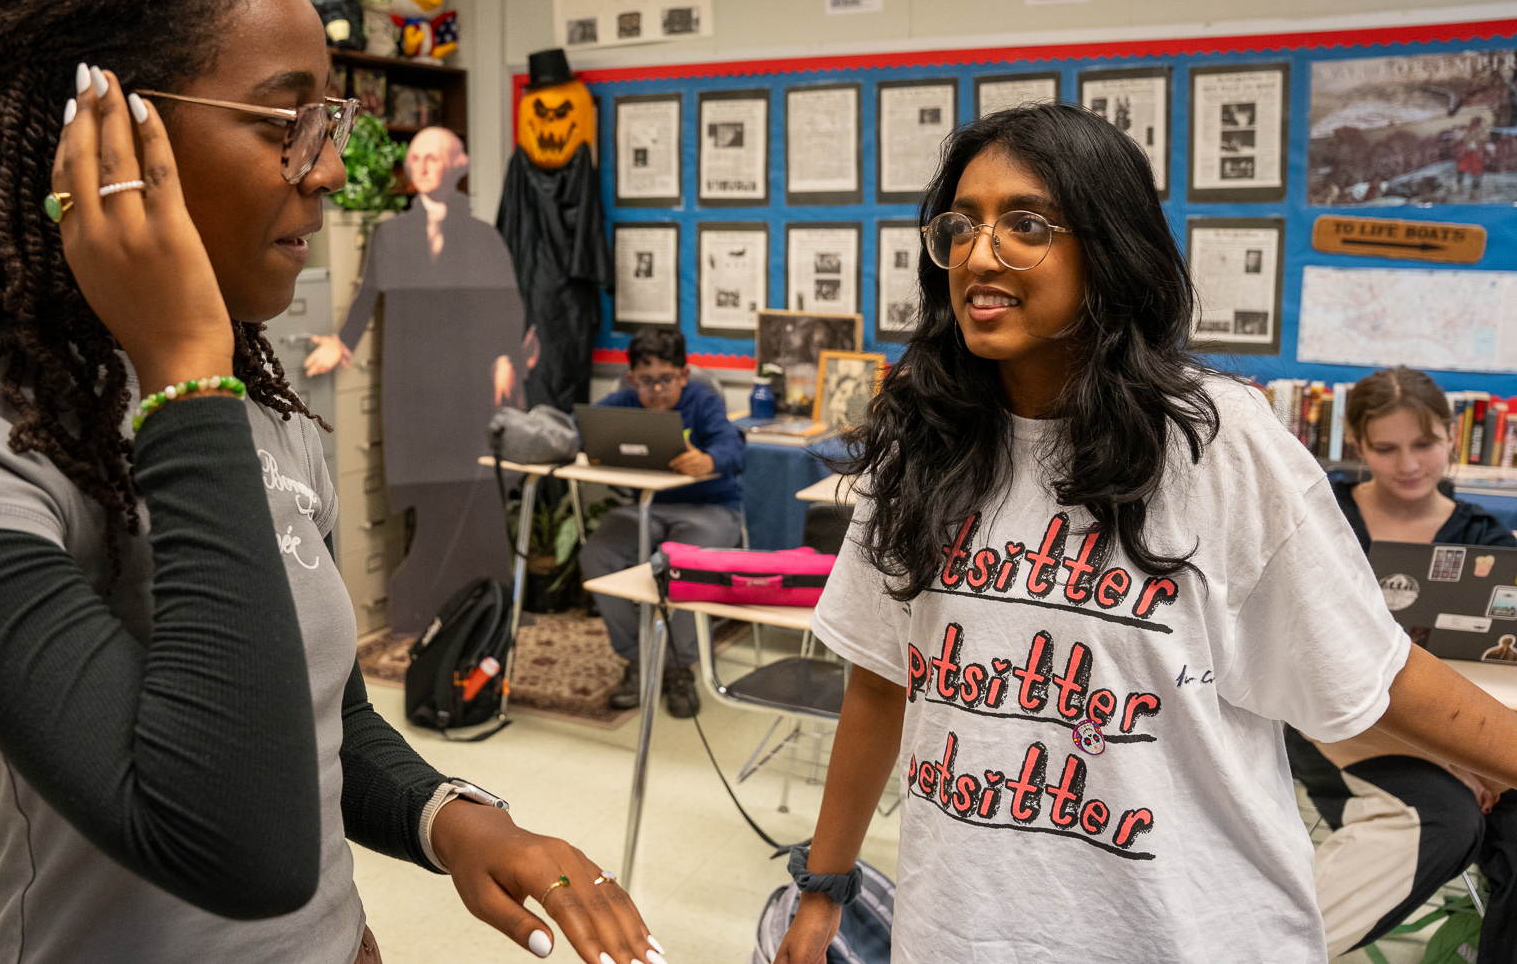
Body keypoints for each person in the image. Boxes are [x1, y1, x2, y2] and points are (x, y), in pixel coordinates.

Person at [0, 0, 661, 964]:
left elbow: (315, 714)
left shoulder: (255, 411)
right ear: (109, 136)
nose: (325, 168)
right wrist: (181, 381)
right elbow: (235, 840)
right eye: (285, 123)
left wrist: (446, 815)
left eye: (329, 124)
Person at [775, 102, 1517, 963]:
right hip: (957, 932)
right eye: (962, 224)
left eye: (1025, 223)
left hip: (1185, 934)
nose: (981, 252)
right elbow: (878, 678)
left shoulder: (1217, 440)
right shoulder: (923, 442)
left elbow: (1379, 673)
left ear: (1110, 247)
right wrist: (825, 886)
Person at [1284, 365, 1517, 958]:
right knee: (1448, 812)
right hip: (1332, 715)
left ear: (1451, 438)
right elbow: (1308, 659)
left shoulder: (1486, 542)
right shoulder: (1316, 517)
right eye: (1385, 449)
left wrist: (1474, 751)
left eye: (1424, 445)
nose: (1408, 464)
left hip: (1460, 715)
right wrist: (1455, 754)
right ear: (1358, 445)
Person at [303, 126, 534, 634]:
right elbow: (367, 297)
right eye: (417, 158)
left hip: (469, 387)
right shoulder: (392, 234)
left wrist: (504, 359)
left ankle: (489, 606)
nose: (424, 166)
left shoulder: (482, 236)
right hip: (414, 386)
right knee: (429, 500)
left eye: (436, 158)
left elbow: (505, 304)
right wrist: (341, 343)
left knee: (476, 496)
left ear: (458, 167)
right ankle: (430, 611)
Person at [578, 326, 744, 718]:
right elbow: (579, 428)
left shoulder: (702, 400)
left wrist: (709, 460)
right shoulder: (622, 402)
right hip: (646, 511)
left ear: (684, 375)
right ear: (631, 376)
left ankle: (678, 667)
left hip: (710, 510)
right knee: (597, 555)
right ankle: (636, 659)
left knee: (684, 563)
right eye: (646, 381)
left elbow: (733, 447)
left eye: (666, 379)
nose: (656, 391)